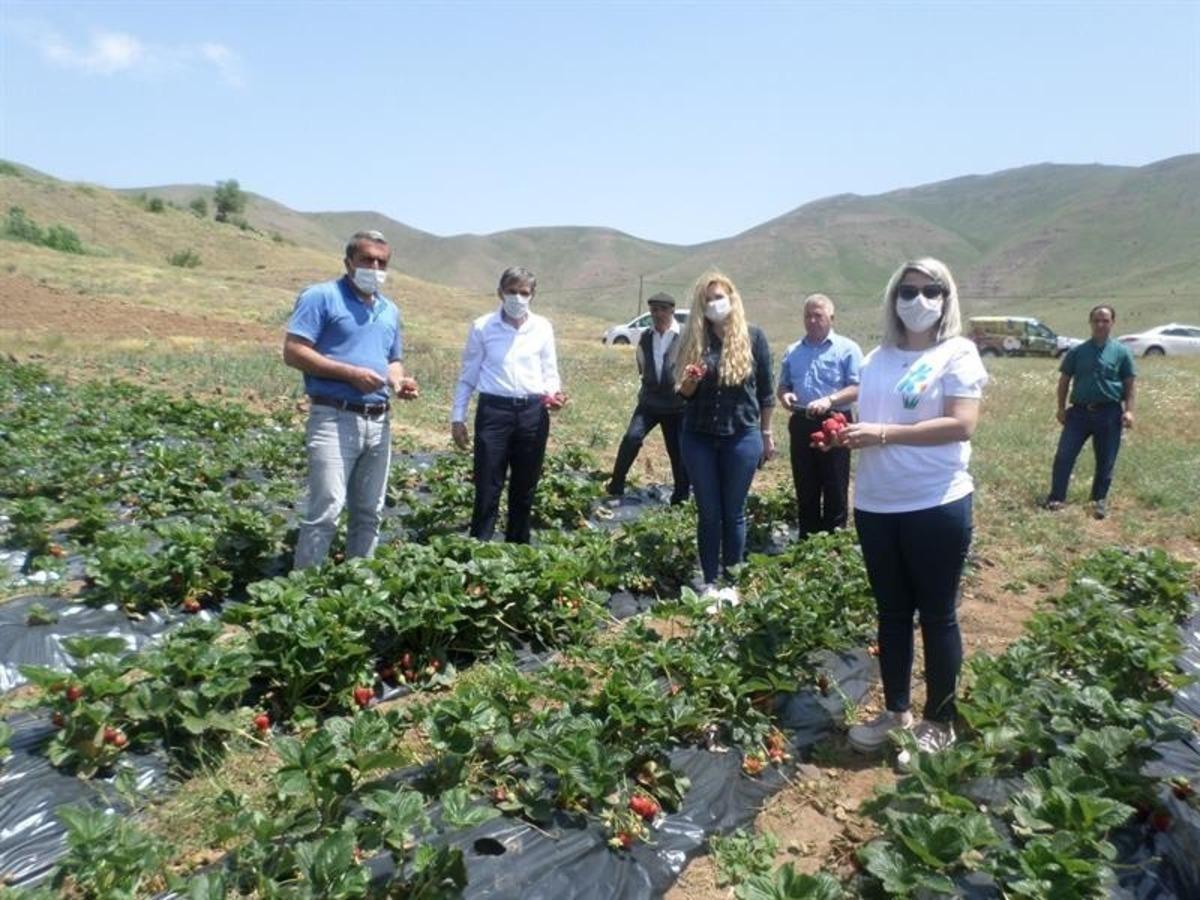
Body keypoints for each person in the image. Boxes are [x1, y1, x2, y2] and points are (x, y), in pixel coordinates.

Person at [836, 258, 987, 760]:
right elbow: (872, 421)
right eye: (907, 290)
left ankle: (938, 720)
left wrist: (883, 434)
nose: (917, 300)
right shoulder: (877, 358)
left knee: (938, 615)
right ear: (892, 298)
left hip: (934, 502)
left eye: (930, 290)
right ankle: (896, 711)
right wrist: (847, 437)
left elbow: (962, 424)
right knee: (892, 612)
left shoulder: (957, 354)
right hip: (877, 504)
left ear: (947, 298)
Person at [283, 230, 419, 568]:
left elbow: (392, 360)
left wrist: (399, 381)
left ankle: (358, 588)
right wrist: (350, 374)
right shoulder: (321, 297)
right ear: (348, 262)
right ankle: (305, 592)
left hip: (379, 419)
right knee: (327, 507)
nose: (374, 267)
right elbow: (294, 351)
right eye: (367, 260)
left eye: (381, 262)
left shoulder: (389, 310)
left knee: (369, 510)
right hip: (334, 416)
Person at [676, 272, 775, 599]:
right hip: (699, 437)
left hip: (741, 436)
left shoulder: (754, 337)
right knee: (708, 512)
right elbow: (684, 394)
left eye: (720, 297)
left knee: (733, 512)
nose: (714, 304)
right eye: (708, 299)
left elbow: (765, 392)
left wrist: (767, 433)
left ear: (732, 298)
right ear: (700, 305)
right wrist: (690, 381)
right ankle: (708, 583)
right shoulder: (694, 339)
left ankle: (732, 583)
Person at [451, 266, 565, 543]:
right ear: (500, 292)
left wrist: (555, 394)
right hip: (494, 412)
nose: (517, 297)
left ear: (532, 295)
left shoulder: (542, 328)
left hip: (533, 412)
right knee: (488, 483)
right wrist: (458, 417)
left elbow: (549, 371)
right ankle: (480, 546)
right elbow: (468, 376)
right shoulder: (483, 327)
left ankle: (518, 547)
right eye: (512, 291)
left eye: (524, 292)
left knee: (525, 485)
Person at [776, 293, 863, 537]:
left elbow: (857, 387)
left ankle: (834, 546)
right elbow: (783, 386)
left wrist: (830, 400)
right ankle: (807, 541)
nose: (812, 320)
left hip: (835, 422)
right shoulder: (793, 351)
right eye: (808, 316)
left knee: (835, 484)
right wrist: (785, 396)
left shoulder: (847, 349)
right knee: (805, 484)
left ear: (831, 318)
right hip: (802, 421)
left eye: (818, 315)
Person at [1043, 305, 1136, 520]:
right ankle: (1056, 498)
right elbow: (1064, 381)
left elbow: (1129, 383)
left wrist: (1130, 411)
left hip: (1109, 413)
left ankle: (1098, 501)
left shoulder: (1122, 352)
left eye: (1105, 320)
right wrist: (1060, 407)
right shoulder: (1077, 352)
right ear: (1090, 323)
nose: (1101, 324)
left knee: (1106, 459)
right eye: (1096, 320)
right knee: (1064, 455)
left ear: (1113, 323)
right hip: (1079, 414)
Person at [606, 292, 690, 504]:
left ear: (672, 310)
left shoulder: (686, 336)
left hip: (676, 405)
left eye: (663, 309)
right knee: (631, 438)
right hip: (649, 403)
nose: (658, 314)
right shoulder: (646, 336)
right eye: (654, 310)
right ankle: (616, 485)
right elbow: (641, 364)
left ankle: (680, 497)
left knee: (678, 452)